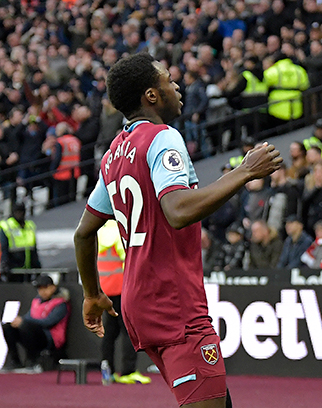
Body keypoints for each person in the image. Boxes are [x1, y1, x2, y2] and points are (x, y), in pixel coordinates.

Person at [73, 54, 281, 408]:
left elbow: (83, 232)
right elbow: (178, 211)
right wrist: (244, 172)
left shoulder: (114, 155)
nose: (177, 86)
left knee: (214, 399)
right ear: (151, 95)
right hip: (174, 303)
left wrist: (92, 294)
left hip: (139, 302)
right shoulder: (163, 138)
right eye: (169, 80)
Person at [96, 219, 151, 384]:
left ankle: (108, 370)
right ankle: (128, 372)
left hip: (106, 289)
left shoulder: (100, 232)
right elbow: (130, 259)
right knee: (128, 330)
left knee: (110, 333)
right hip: (122, 288)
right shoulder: (120, 232)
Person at [2, 274, 70, 373]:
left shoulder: (61, 304)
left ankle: (33, 361)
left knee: (26, 325)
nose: (42, 291)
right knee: (8, 327)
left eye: (45, 288)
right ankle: (15, 361)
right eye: (40, 288)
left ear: (53, 287)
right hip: (32, 333)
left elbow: (48, 322)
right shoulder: (36, 301)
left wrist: (24, 321)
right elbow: (29, 316)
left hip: (50, 338)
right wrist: (17, 321)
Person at [0, 202, 41, 283]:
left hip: (28, 266)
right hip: (13, 267)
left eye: (21, 212)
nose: (19, 214)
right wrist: (4, 264)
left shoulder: (30, 226)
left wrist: (37, 266)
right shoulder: (7, 226)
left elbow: (33, 248)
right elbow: (4, 247)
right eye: (17, 212)